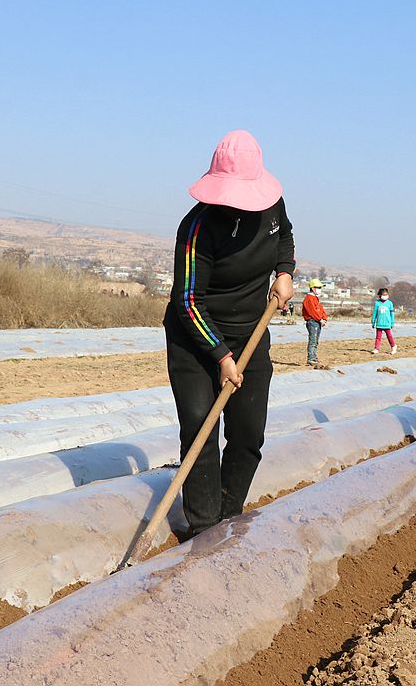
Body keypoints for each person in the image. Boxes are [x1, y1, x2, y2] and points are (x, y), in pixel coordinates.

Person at [163, 130, 295, 538]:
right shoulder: (197, 227)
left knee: (248, 433)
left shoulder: (273, 205)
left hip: (250, 331)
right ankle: (204, 529)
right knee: (200, 428)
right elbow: (188, 301)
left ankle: (228, 514)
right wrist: (221, 356)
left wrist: (285, 272)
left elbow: (285, 237)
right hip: (197, 338)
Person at [302, 279, 328, 366]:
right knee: (313, 341)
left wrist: (324, 318)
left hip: (317, 321)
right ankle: (311, 358)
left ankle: (314, 357)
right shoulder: (309, 299)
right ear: (313, 288)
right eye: (318, 287)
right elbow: (312, 311)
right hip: (313, 322)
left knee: (315, 341)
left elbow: (320, 309)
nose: (320, 289)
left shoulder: (315, 298)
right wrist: (320, 319)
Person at [371, 287, 397, 354]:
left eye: (386, 294)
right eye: (383, 294)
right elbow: (374, 313)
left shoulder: (390, 303)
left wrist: (392, 323)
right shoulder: (377, 303)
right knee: (378, 337)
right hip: (379, 323)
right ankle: (376, 349)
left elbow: (392, 314)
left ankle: (393, 346)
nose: (385, 296)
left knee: (389, 336)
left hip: (387, 323)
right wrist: (373, 321)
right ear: (380, 295)